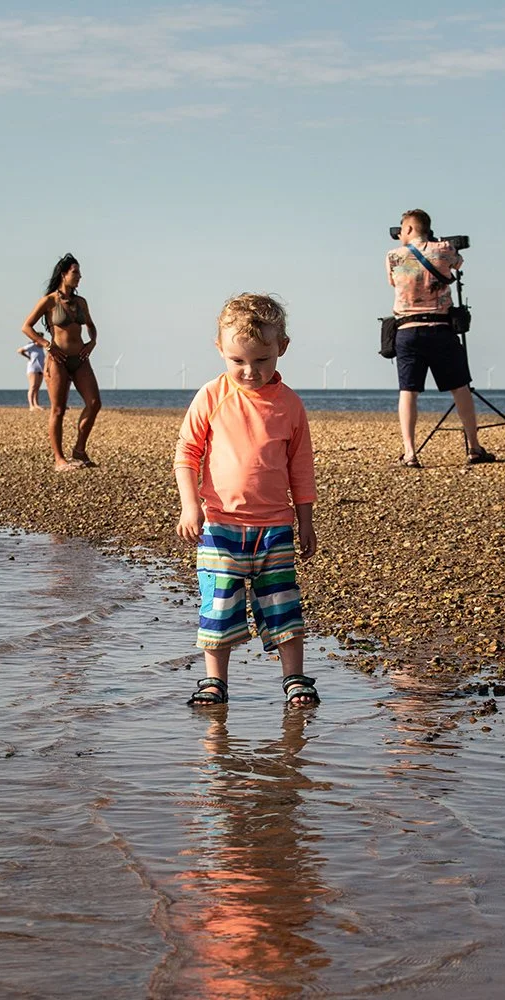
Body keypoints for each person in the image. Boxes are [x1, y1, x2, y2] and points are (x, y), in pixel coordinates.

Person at [174, 293, 319, 709]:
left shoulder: (290, 405)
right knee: (218, 605)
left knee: (283, 606)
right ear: (220, 349)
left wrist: (305, 521)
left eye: (261, 360)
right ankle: (213, 682)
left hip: (274, 527)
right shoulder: (212, 395)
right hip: (220, 526)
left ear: (282, 349)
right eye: (238, 361)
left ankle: (295, 679)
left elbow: (300, 469)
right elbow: (187, 453)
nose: (249, 371)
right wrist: (190, 505)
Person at [387, 208, 494, 468]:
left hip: (407, 330)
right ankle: (474, 447)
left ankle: (410, 453)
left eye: (402, 228)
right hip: (440, 329)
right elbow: (458, 266)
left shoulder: (393, 256)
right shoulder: (444, 250)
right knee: (460, 388)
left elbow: (393, 283)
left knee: (408, 391)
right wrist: (438, 246)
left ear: (410, 228)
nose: (399, 233)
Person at [20, 253, 102, 470]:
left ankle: (79, 450)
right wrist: (46, 344)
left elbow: (91, 325)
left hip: (81, 358)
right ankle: (59, 459)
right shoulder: (49, 301)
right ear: (63, 274)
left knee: (94, 403)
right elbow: (26, 326)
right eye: (75, 273)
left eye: (79, 273)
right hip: (57, 360)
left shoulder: (81, 302)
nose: (79, 277)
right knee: (58, 409)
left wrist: (92, 342)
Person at [17, 341, 46, 410]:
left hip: (41, 369)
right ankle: (31, 405)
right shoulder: (32, 346)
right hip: (33, 369)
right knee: (33, 386)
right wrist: (27, 356)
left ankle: (36, 404)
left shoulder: (41, 347)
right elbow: (20, 350)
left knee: (37, 387)